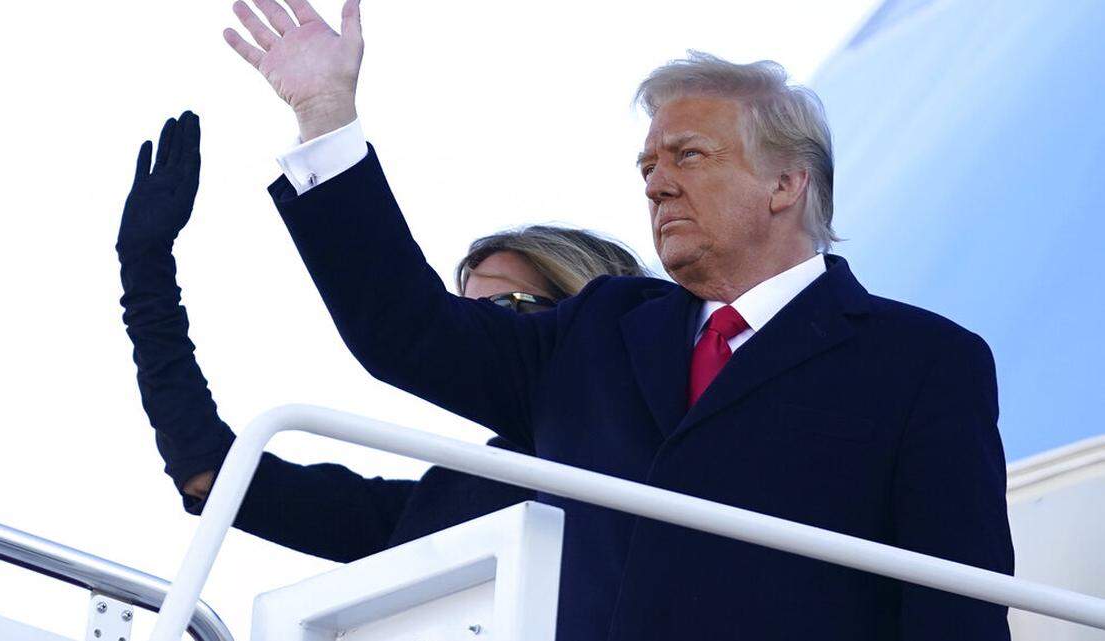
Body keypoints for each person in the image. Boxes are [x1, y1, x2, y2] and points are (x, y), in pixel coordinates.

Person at [222, 1, 1014, 640]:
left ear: (786, 183)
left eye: (688, 156)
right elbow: (408, 330)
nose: (657, 184)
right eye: (647, 166)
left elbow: (957, 611)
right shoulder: (596, 330)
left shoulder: (922, 363)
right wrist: (327, 117)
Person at [116, 111, 648, 560]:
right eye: (463, 312)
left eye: (507, 308)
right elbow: (210, 471)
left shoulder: (673, 442)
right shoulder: (443, 502)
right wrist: (146, 270)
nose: (476, 328)